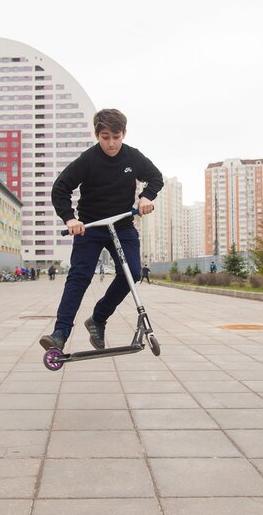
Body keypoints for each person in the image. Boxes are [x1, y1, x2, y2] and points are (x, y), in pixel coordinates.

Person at [41, 108, 163, 351]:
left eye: (116, 137)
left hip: (122, 224)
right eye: (105, 137)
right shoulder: (88, 160)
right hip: (91, 227)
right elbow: (60, 188)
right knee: (79, 277)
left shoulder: (132, 157)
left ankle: (98, 318)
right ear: (97, 134)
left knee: (132, 274)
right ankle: (60, 333)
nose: (111, 143)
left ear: (124, 134)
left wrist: (145, 197)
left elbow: (156, 178)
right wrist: (70, 219)